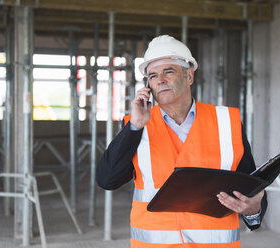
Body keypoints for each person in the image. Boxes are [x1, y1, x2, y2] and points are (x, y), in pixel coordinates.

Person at [97, 35, 267, 248]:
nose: (160, 80)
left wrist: (253, 210)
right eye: (152, 76)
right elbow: (107, 179)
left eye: (168, 71)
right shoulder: (137, 126)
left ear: (189, 76)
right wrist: (134, 128)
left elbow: (250, 184)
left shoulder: (226, 122)